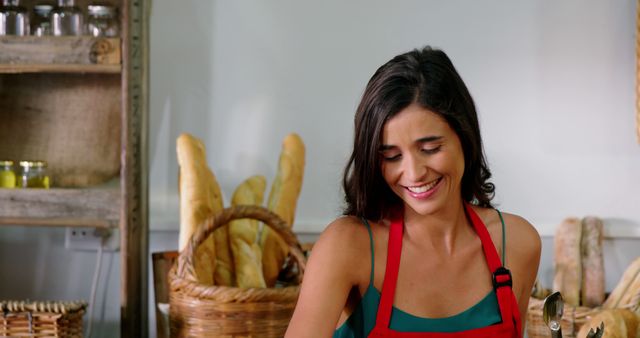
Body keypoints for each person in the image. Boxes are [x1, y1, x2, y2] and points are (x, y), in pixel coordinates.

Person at [285, 46, 541, 338]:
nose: (414, 172)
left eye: (430, 148)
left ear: (464, 137)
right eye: (392, 156)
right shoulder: (347, 246)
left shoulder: (518, 243)